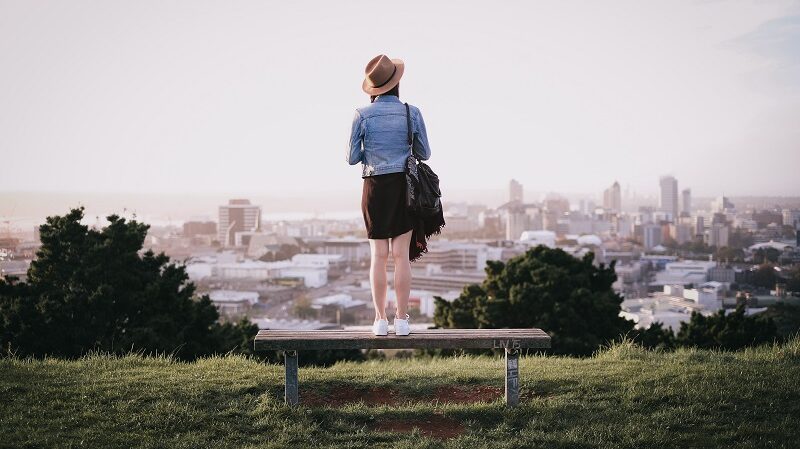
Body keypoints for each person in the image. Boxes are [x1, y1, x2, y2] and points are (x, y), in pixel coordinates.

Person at [347, 54, 432, 336]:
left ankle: (380, 320)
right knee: (400, 256)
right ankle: (403, 320)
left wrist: (371, 152)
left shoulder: (361, 115)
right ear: (396, 83)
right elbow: (425, 153)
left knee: (378, 256)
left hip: (373, 187)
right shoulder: (412, 112)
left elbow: (351, 157)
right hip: (402, 187)